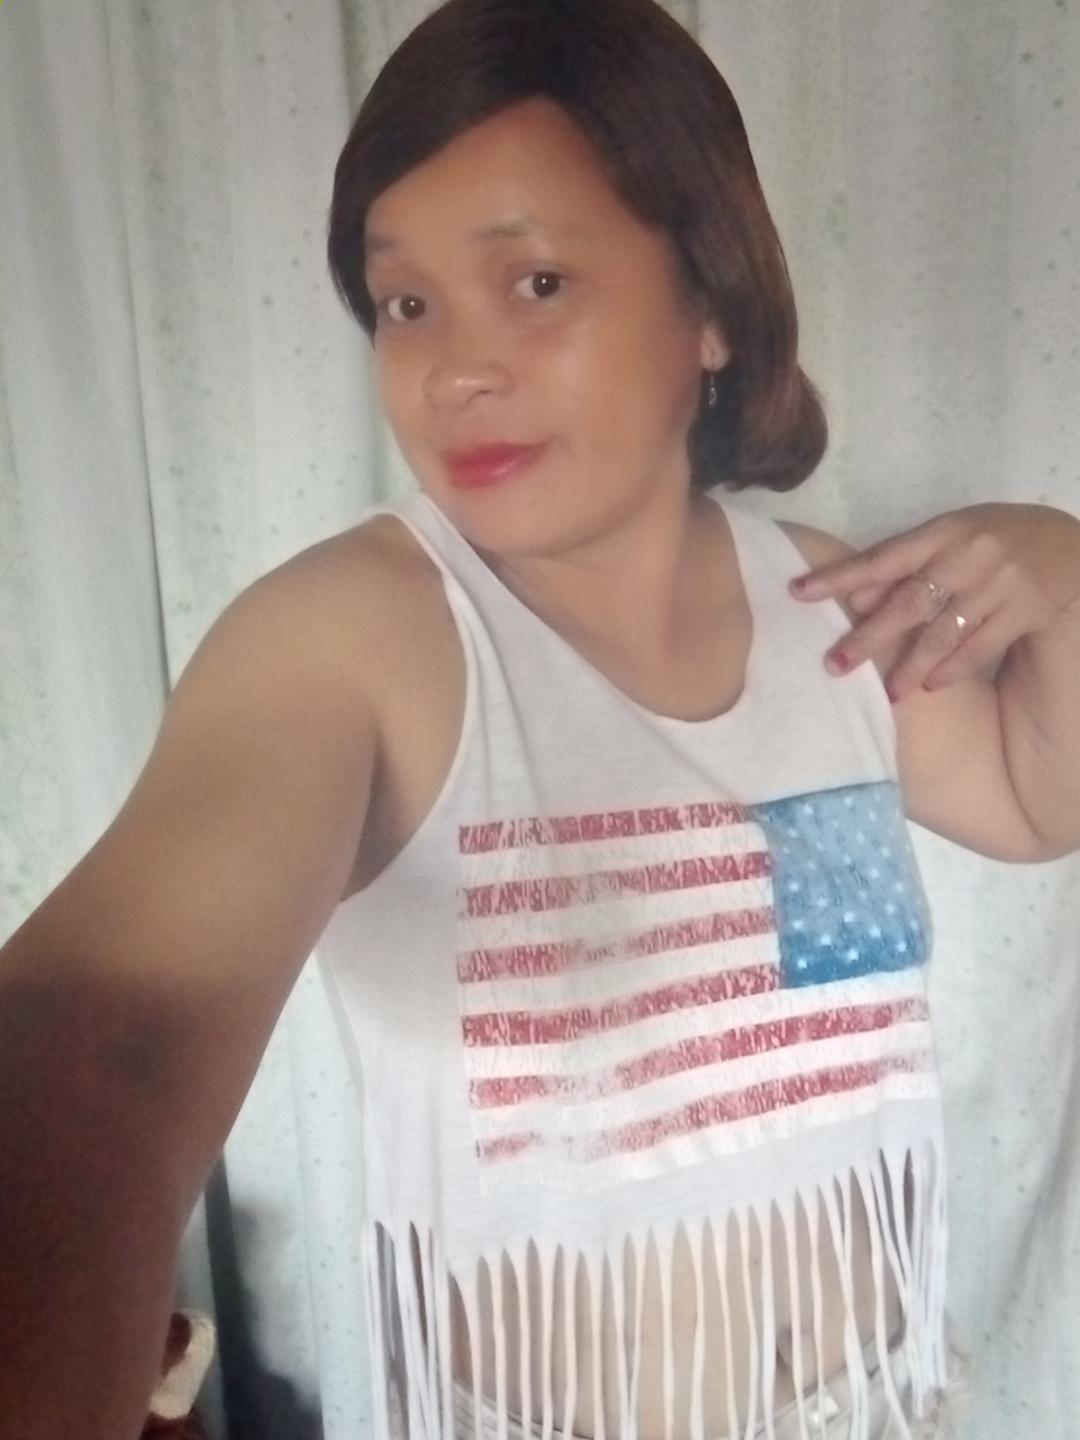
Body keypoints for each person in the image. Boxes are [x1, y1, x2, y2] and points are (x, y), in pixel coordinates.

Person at [1, 1, 1079, 1437]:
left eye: (539, 281)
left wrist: (1066, 569)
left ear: (710, 305)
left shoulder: (823, 600)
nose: (454, 369)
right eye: (406, 304)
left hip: (885, 1402)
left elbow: (1038, 797)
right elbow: (102, 1049)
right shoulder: (352, 645)